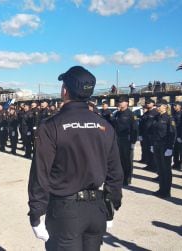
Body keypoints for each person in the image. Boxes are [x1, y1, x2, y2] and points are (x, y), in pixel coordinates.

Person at [28, 66, 123, 250]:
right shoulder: (104, 126)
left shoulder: (51, 125)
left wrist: (36, 212)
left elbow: (41, 173)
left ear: (65, 91)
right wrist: (112, 205)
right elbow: (115, 172)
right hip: (96, 209)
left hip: (65, 210)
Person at [151, 99, 176, 198]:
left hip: (165, 146)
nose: (157, 107)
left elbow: (172, 134)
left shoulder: (169, 118)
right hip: (157, 145)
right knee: (160, 169)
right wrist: (153, 144)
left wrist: (170, 147)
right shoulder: (156, 117)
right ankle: (161, 189)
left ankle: (166, 191)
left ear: (165, 106)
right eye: (157, 105)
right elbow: (154, 132)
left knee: (166, 169)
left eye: (159, 105)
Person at [113, 96, 138, 186]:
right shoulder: (117, 114)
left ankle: (127, 179)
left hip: (127, 140)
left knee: (127, 160)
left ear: (127, 103)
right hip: (117, 139)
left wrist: (133, 142)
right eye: (119, 102)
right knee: (119, 160)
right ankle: (120, 177)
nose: (120, 103)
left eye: (122, 102)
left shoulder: (131, 114)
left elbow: (134, 129)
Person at [172, 102, 182, 170]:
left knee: (181, 151)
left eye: (175, 105)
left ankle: (181, 164)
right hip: (174, 134)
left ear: (179, 106)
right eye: (174, 106)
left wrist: (180, 136)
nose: (174, 107)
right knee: (175, 150)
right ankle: (175, 163)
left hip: (179, 134)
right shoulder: (174, 114)